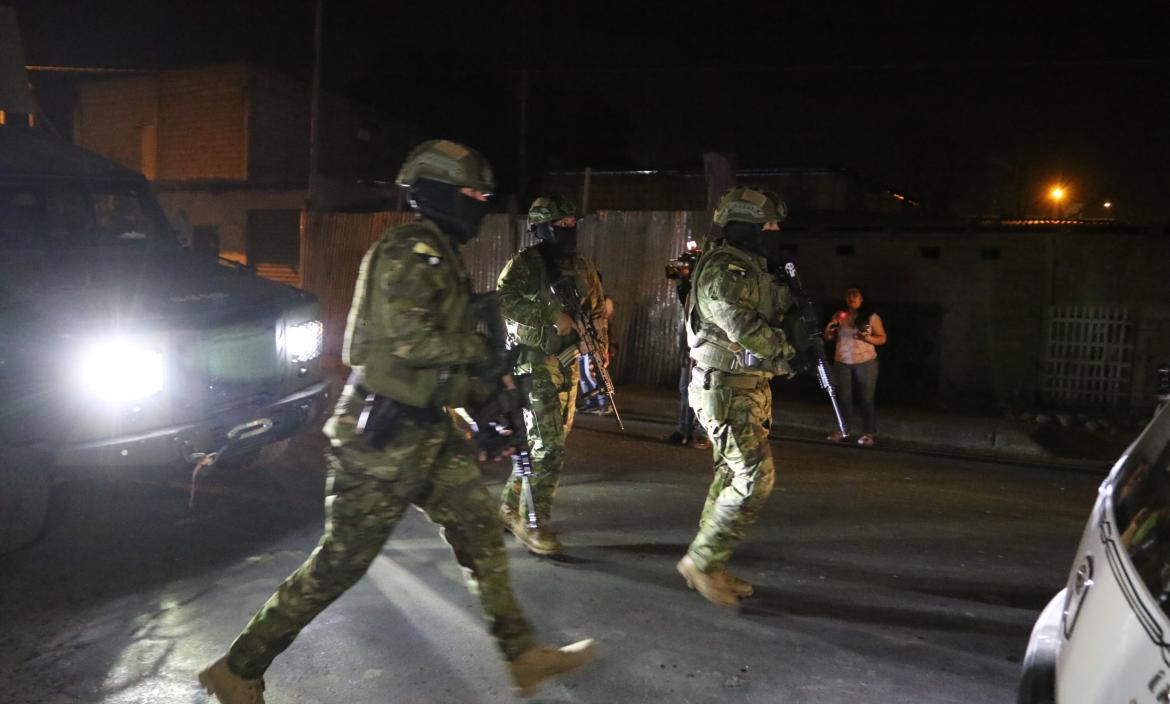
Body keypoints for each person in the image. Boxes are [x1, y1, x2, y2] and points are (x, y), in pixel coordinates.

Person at [197, 140, 594, 704]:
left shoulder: (438, 252)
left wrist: (486, 392)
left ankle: (522, 655)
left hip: (426, 431)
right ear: (438, 194)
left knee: (480, 533)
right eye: (473, 194)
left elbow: (441, 354)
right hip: (378, 436)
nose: (482, 205)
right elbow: (409, 342)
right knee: (339, 564)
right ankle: (237, 669)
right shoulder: (410, 249)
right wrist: (483, 357)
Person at [677, 187, 796, 607]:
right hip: (724, 389)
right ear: (747, 225)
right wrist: (791, 345)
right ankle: (702, 560)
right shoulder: (724, 271)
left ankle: (711, 561)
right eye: (768, 225)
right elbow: (744, 328)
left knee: (730, 476)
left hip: (745, 387)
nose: (776, 231)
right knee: (753, 477)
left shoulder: (754, 267)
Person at [496, 195, 608, 556]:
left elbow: (595, 311)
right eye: (561, 225)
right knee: (551, 447)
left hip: (567, 363)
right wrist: (548, 313)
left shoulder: (583, 266)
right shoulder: (526, 264)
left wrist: (598, 349)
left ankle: (509, 506)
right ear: (542, 228)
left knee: (549, 441)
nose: (569, 230)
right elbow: (503, 299)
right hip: (534, 362)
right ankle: (534, 522)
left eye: (573, 224)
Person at [823, 286, 887, 446]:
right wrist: (831, 326)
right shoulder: (840, 315)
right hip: (842, 361)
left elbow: (882, 338)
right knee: (843, 398)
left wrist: (867, 338)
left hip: (866, 362)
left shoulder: (871, 317)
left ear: (862, 298)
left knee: (866, 398)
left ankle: (868, 433)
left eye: (855, 294)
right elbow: (828, 337)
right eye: (848, 294)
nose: (851, 297)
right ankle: (843, 430)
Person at [663, 242, 710, 449]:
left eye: (687, 266)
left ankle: (701, 433)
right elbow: (685, 305)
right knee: (685, 389)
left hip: (707, 345)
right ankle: (683, 429)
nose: (683, 270)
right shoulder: (689, 288)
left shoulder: (708, 286)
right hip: (690, 344)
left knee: (705, 390)